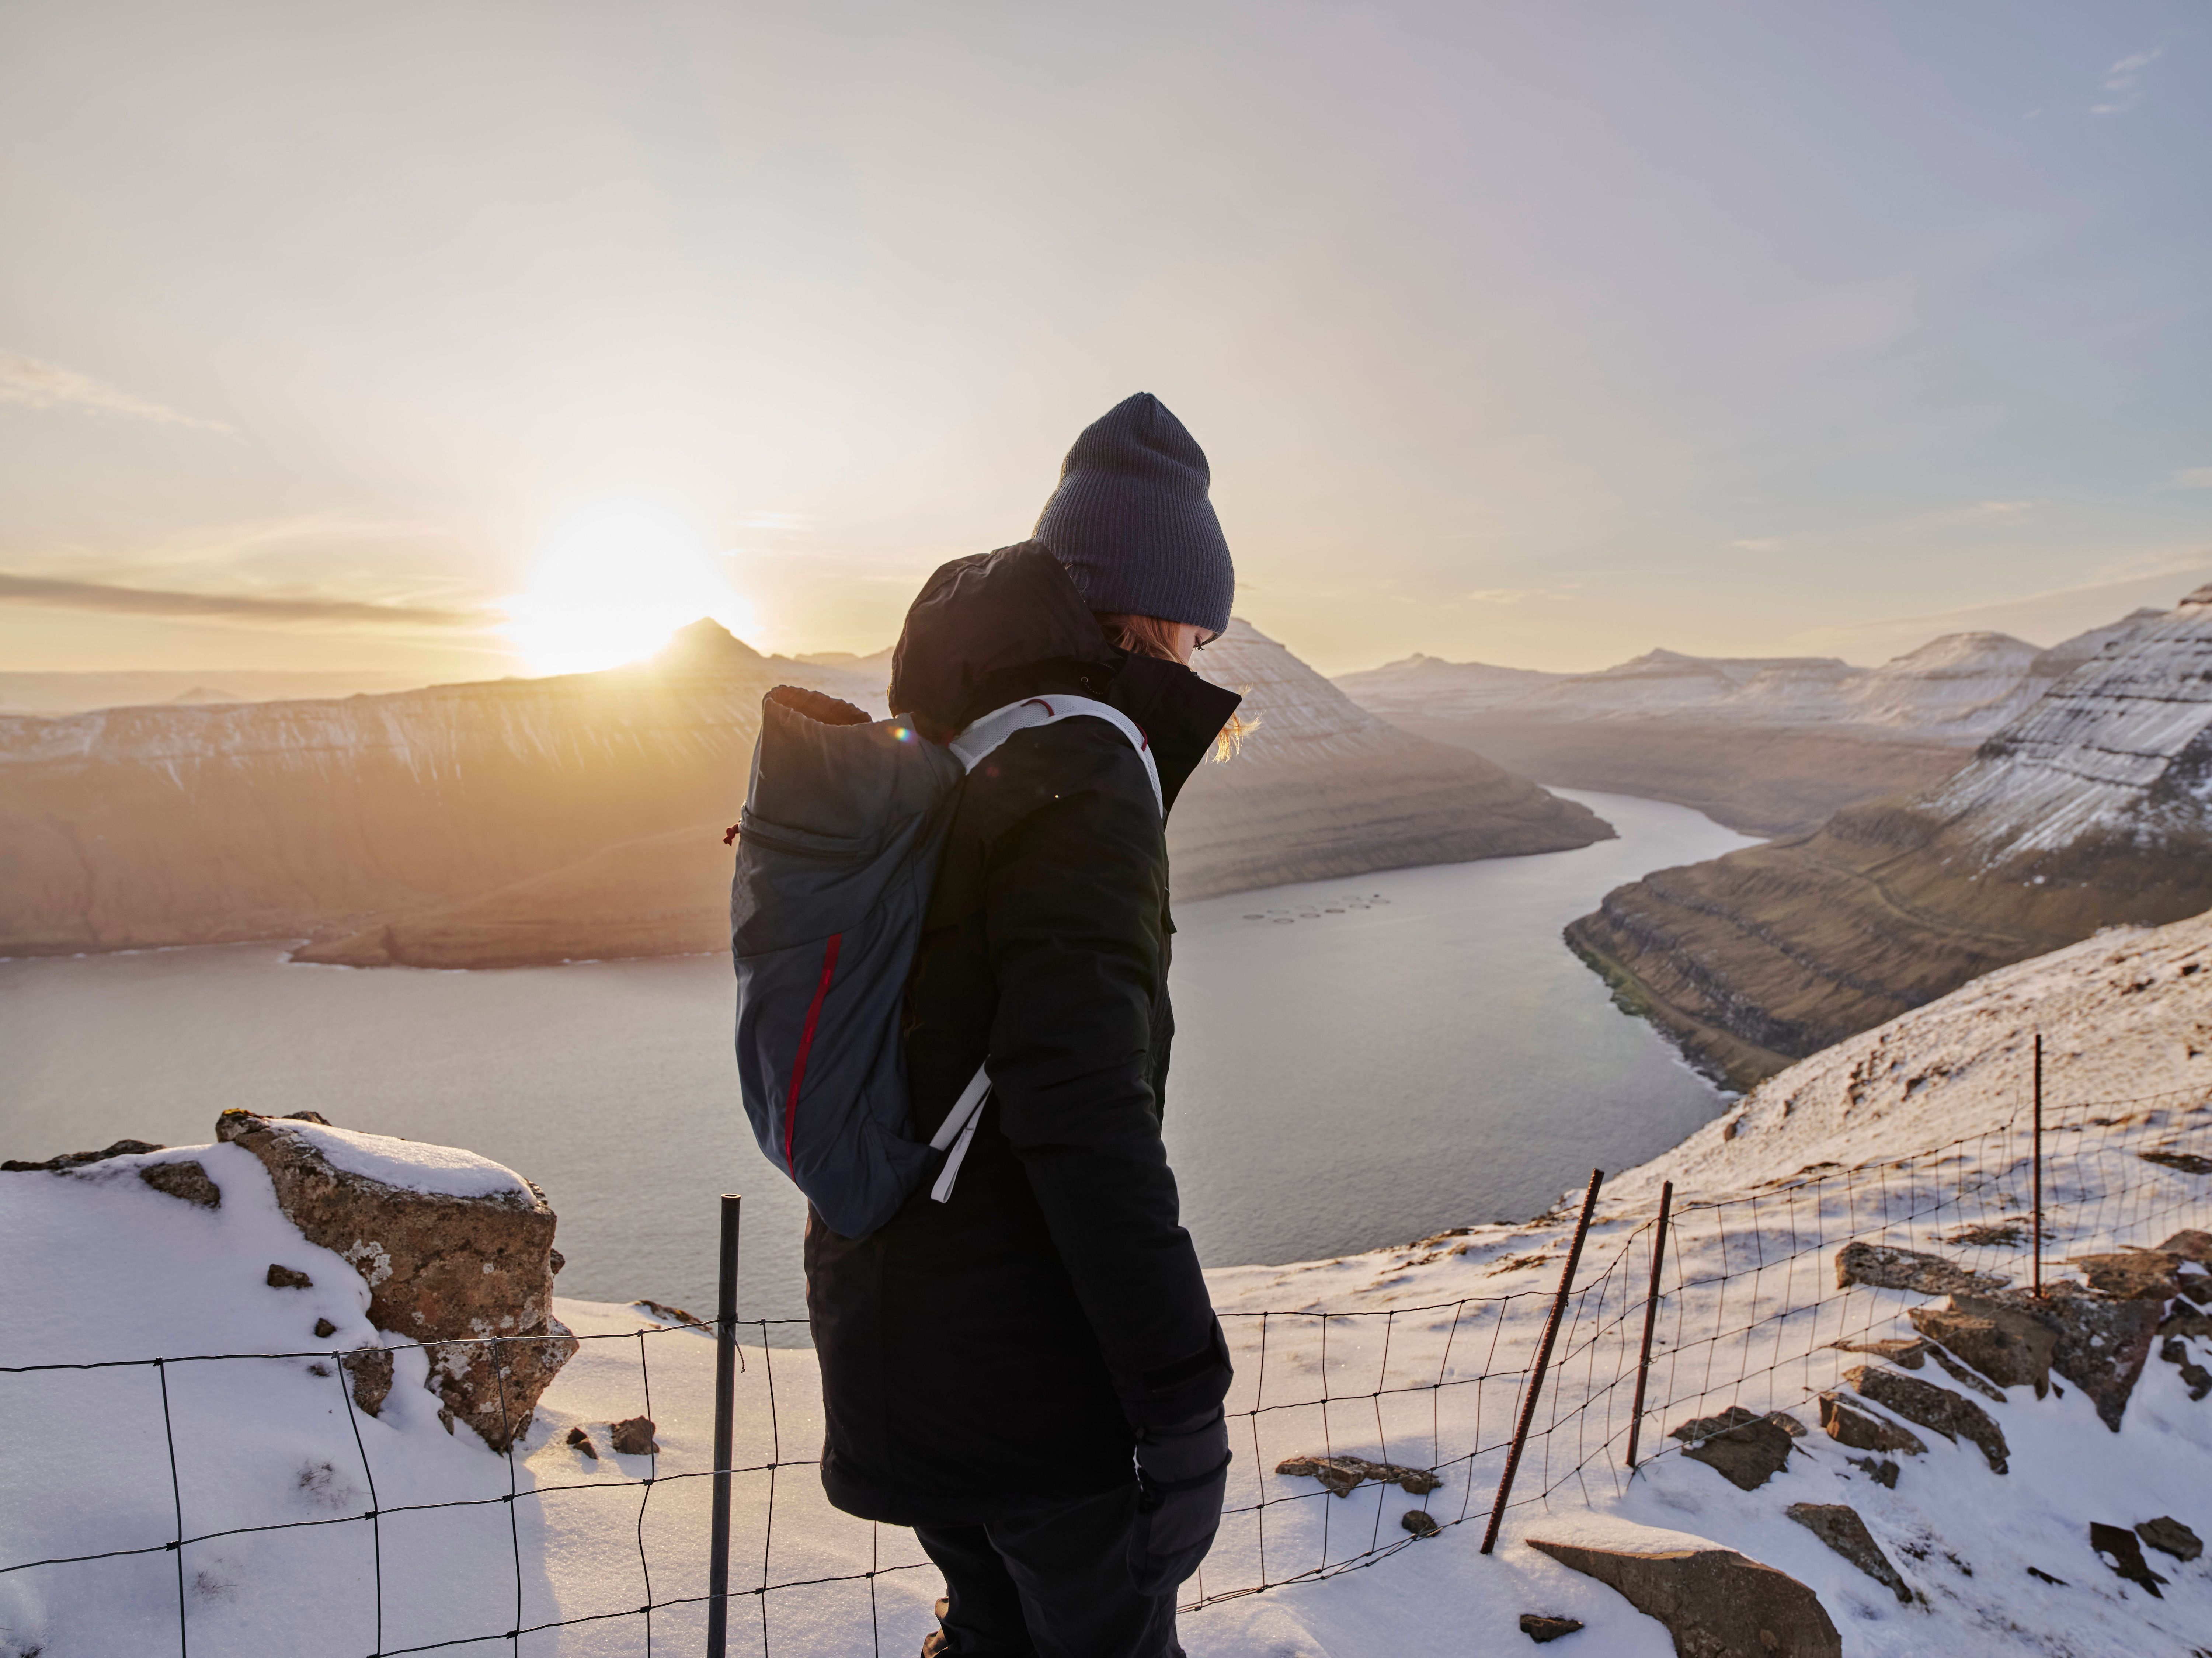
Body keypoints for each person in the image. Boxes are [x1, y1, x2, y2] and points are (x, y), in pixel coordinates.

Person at [804, 392, 1244, 1658]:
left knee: (990, 1638)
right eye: (1200, 614)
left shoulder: (957, 743)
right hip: (1034, 1383)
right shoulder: (1088, 768)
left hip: (899, 1330)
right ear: (1156, 602)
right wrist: (1182, 1406)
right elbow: (1084, 1110)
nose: (1208, 641)